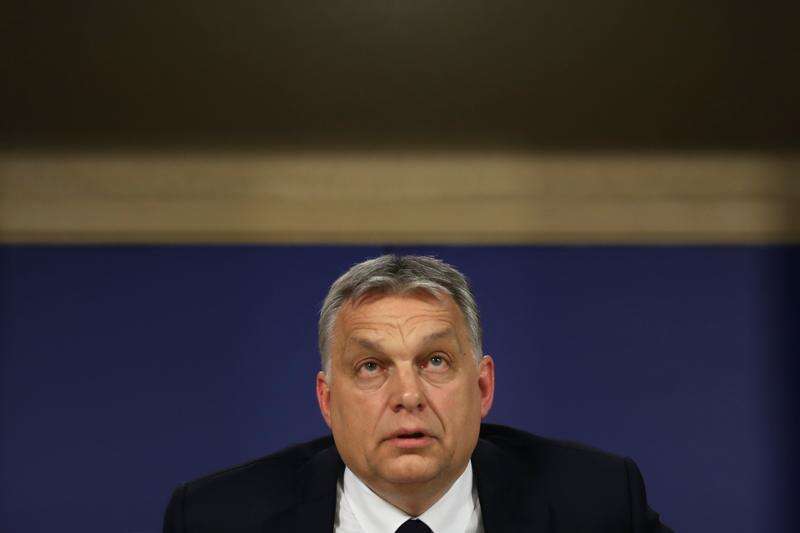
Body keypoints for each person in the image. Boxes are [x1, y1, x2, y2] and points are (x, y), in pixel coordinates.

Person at [163, 255, 672, 532]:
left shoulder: (598, 505)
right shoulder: (216, 519)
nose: (408, 395)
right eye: (370, 366)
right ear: (327, 401)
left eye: (435, 361)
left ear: (483, 387)